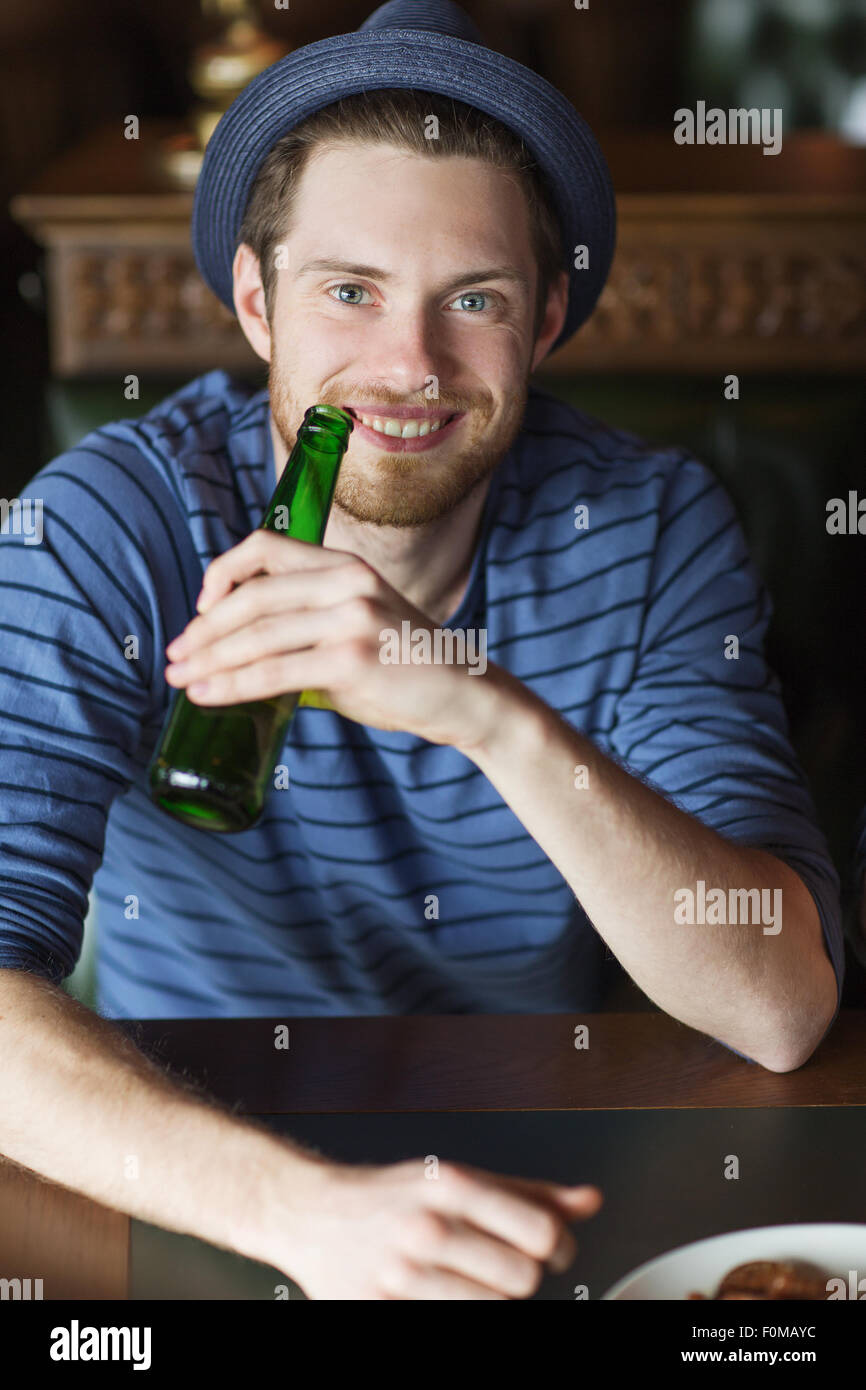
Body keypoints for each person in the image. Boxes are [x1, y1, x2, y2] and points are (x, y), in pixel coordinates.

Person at [0, 0, 843, 1300]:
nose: (408, 364)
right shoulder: (112, 523)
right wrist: (306, 1215)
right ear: (254, 302)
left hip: (548, 1153)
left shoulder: (650, 522)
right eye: (349, 290)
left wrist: (478, 704)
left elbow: (777, 1006)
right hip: (186, 1169)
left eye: (474, 298)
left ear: (546, 319)